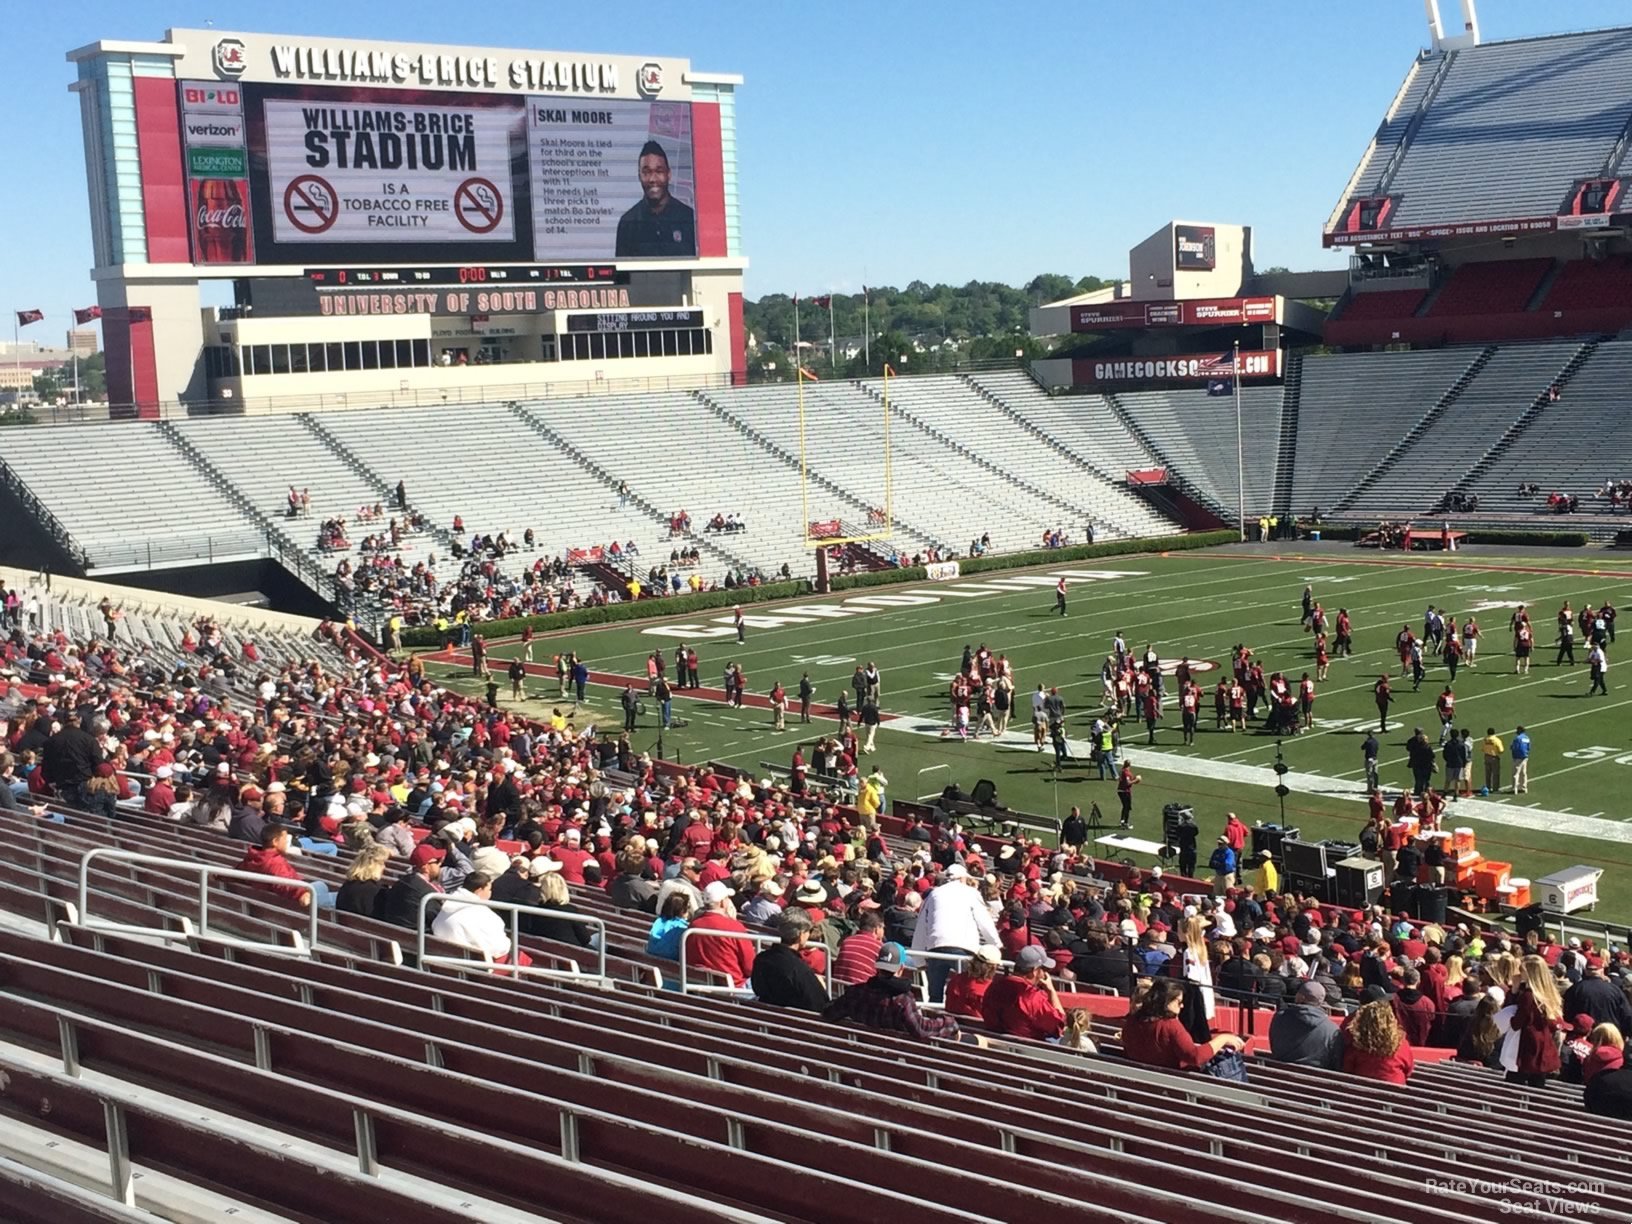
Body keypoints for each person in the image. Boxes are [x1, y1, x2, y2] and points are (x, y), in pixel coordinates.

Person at [820, 941, 968, 1043]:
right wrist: (948, 1022)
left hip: (865, 1058)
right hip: (898, 1062)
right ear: (901, 968)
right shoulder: (903, 1000)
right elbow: (921, 1029)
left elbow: (829, 1013)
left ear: (878, 968)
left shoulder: (856, 993)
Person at [910, 863, 1002, 1003]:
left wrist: (919, 959)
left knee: (935, 995)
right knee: (966, 991)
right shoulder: (971, 893)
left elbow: (922, 926)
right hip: (964, 948)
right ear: (961, 879)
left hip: (936, 948)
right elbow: (985, 921)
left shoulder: (934, 894)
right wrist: (996, 944)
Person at [1120, 977, 1243, 1071]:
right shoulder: (1170, 1025)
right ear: (1167, 1002)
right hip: (1171, 1085)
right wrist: (1223, 1039)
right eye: (1179, 1002)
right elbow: (1195, 1057)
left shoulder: (1133, 1020)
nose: (1182, 1006)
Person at [614, 140, 697, 258]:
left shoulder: (688, 218)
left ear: (668, 174)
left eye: (659, 171)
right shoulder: (628, 223)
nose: (653, 179)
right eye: (646, 172)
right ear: (639, 176)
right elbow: (621, 275)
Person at [432, 872, 523, 965]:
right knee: (521, 959)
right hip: (476, 968)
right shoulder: (481, 913)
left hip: (447, 962)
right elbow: (498, 948)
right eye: (489, 889)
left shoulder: (447, 906)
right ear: (479, 890)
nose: (490, 893)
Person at [981, 945, 1068, 1040]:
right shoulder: (1032, 996)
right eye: (1044, 969)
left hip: (994, 1045)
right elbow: (1060, 1025)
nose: (1044, 974)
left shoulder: (994, 986)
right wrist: (1051, 991)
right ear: (1034, 971)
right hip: (1030, 1049)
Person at [750, 910, 830, 1012]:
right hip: (796, 1023)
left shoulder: (762, 959)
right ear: (801, 935)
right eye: (808, 931)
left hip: (768, 1018)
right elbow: (820, 1005)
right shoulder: (799, 970)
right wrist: (820, 987)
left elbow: (758, 989)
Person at [1509, 954, 1567, 1087]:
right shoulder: (1548, 993)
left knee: (1515, 1084)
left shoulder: (1528, 996)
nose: (1519, 973)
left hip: (1527, 1048)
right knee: (1538, 1085)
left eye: (1522, 970)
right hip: (1544, 1044)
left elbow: (1516, 1024)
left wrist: (1514, 991)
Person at [687, 879, 756, 988]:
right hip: (734, 987)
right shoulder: (734, 927)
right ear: (723, 902)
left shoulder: (693, 925)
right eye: (727, 898)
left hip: (700, 985)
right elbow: (750, 968)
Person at [1269, 981, 1343, 1069]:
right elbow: (1335, 1063)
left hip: (1278, 1074)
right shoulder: (1332, 1030)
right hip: (1314, 1079)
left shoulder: (1280, 1017)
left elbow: (1274, 1047)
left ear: (1300, 997)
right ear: (1321, 1002)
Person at [1342, 999, 1415, 1084]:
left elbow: (1347, 1069)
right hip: (1395, 1092)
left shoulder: (1356, 1045)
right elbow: (1408, 1070)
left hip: (1363, 1092)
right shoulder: (1401, 1044)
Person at [375, 842, 446, 928]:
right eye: (437, 861)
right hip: (417, 938)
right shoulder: (428, 894)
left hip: (395, 934)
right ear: (426, 867)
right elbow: (439, 920)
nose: (440, 864)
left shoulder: (401, 882)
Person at [943, 944, 1002, 1018]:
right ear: (994, 967)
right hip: (977, 1028)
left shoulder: (955, 980)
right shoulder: (990, 990)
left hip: (954, 1025)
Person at [336, 843, 392, 916]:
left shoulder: (347, 884)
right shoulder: (376, 891)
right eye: (382, 863)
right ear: (373, 865)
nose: (384, 867)